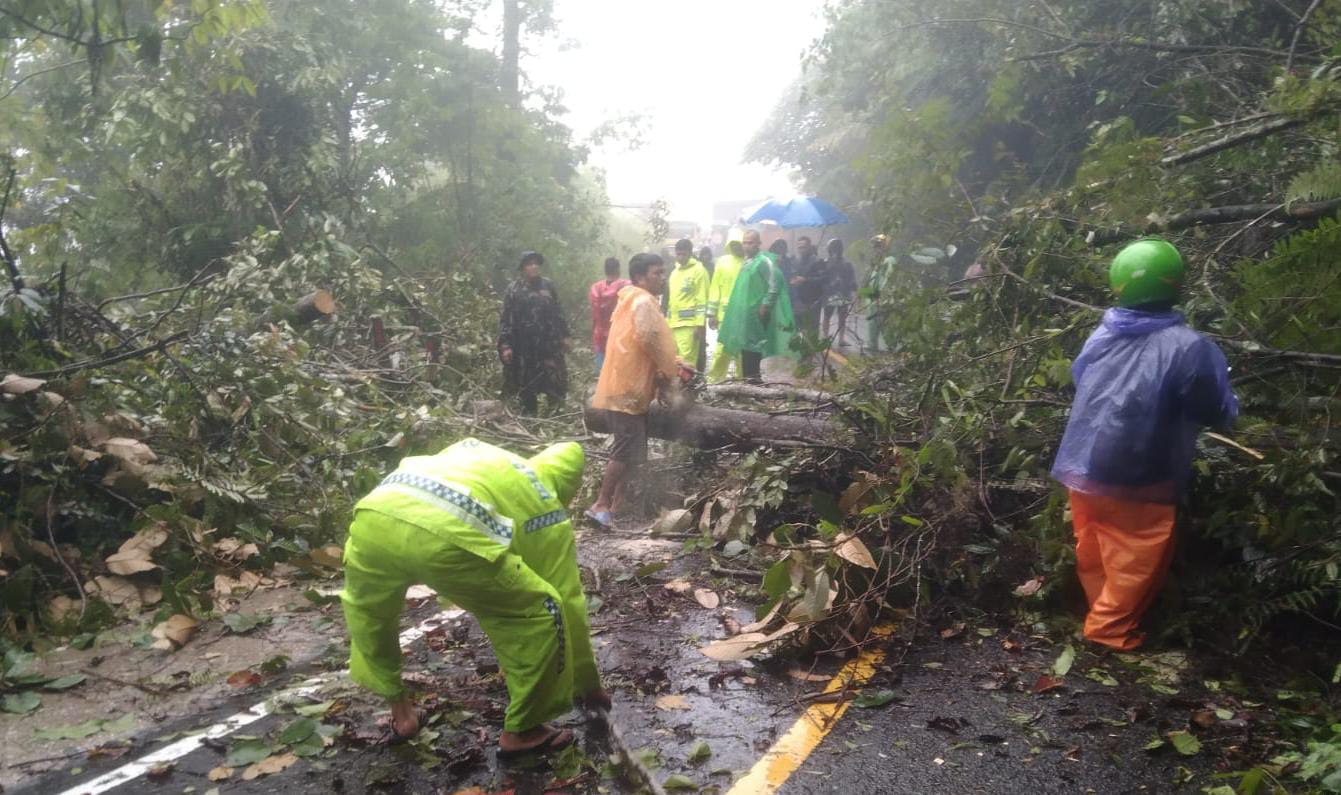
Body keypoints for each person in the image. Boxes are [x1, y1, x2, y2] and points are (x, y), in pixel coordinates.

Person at [340, 437, 610, 757]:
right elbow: (567, 600)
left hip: (372, 516)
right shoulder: (545, 502)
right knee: (540, 610)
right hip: (445, 532)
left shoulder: (482, 456)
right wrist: (588, 684)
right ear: (568, 483)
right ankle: (523, 730)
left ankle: (402, 716)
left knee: (370, 616)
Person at [1051, 238, 1238, 651]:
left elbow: (1082, 380)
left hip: (1083, 463)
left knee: (1094, 544)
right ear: (1176, 284)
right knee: (1137, 553)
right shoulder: (1189, 347)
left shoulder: (1101, 334)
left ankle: (1099, 612)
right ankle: (1108, 631)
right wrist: (1232, 409)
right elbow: (1212, 407)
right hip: (1143, 468)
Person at [587, 253, 681, 528]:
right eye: (657, 273)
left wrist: (671, 364)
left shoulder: (631, 299)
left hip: (628, 384)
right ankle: (600, 504)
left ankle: (617, 505)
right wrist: (670, 370)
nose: (663, 278)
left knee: (634, 449)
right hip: (628, 387)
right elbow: (651, 339)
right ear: (640, 277)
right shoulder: (642, 301)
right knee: (625, 447)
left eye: (663, 272)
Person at [718, 230, 795, 384]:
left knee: (753, 348)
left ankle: (754, 382)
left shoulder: (763, 261)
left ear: (758, 244)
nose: (747, 246)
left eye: (751, 243)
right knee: (746, 348)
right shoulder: (748, 262)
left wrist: (766, 304)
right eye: (745, 242)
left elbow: (775, 283)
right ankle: (749, 381)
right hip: (745, 315)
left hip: (756, 314)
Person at [498, 252, 571, 414]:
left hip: (550, 344)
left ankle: (556, 415)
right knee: (527, 384)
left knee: (555, 381)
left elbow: (558, 312)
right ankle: (530, 417)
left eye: (536, 263)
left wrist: (565, 336)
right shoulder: (514, 290)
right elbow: (507, 319)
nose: (534, 266)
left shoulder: (547, 286)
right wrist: (506, 345)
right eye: (530, 264)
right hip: (525, 346)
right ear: (523, 268)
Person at [666, 239, 709, 369]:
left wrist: (699, 324)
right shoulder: (674, 272)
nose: (680, 257)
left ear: (690, 253)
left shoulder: (699, 271)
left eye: (683, 254)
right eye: (678, 254)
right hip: (673, 324)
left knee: (687, 362)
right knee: (674, 360)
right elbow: (671, 299)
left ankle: (689, 383)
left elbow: (702, 299)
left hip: (689, 325)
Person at [706, 239, 745, 383]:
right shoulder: (723, 262)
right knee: (722, 349)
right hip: (724, 315)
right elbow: (715, 287)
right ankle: (714, 380)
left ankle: (743, 380)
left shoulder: (749, 262)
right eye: (732, 245)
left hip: (743, 315)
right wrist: (712, 314)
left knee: (741, 351)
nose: (735, 248)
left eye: (738, 244)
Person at [588, 257, 629, 375]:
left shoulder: (595, 288)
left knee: (602, 371)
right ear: (618, 270)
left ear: (605, 270)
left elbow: (594, 312)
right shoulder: (625, 286)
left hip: (600, 333)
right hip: (619, 333)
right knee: (619, 371)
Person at [789, 235, 828, 338]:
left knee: (812, 330)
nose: (801, 250)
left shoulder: (818, 261)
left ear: (809, 247)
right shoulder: (793, 260)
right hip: (797, 300)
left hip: (812, 301)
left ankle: (811, 348)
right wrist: (792, 280)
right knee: (797, 328)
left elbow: (823, 279)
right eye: (799, 247)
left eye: (803, 247)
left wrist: (805, 279)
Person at [864, 234, 897, 354]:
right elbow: (871, 282)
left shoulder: (890, 260)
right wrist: (861, 295)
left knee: (884, 324)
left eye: (878, 246)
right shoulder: (877, 263)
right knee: (872, 324)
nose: (875, 249)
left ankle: (893, 348)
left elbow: (889, 279)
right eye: (874, 247)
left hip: (881, 299)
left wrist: (882, 295)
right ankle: (872, 348)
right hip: (872, 299)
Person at [821, 238, 857, 347]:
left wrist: (853, 292)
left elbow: (851, 279)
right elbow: (822, 278)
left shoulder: (846, 263)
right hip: (830, 294)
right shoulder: (826, 262)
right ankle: (826, 338)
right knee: (828, 316)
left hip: (842, 294)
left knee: (841, 317)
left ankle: (840, 339)